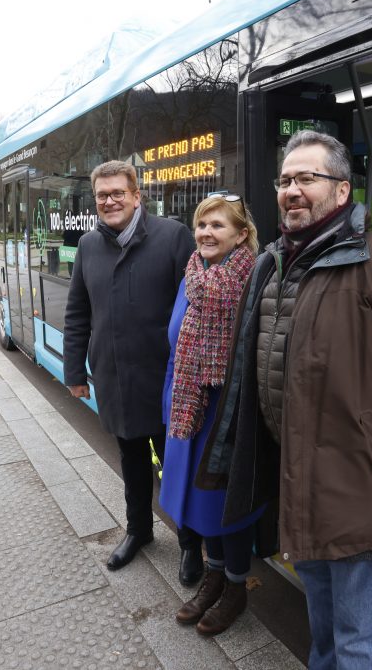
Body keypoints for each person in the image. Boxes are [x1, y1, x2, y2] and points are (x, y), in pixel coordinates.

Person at [198, 130, 372, 669]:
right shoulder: (273, 265)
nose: (292, 190)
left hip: (361, 493)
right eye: (285, 180)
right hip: (299, 486)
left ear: (342, 192)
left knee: (357, 642)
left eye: (307, 178)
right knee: (320, 631)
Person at [64, 160, 204, 581]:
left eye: (117, 193)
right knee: (132, 462)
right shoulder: (89, 246)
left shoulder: (172, 236)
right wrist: (75, 371)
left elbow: (197, 304)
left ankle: (189, 543)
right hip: (116, 378)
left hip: (165, 382)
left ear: (136, 195)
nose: (109, 201)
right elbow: (77, 312)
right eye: (102, 195)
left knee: (176, 464)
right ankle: (139, 531)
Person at [158, 193, 261, 636]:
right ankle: (213, 576)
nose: (205, 233)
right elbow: (174, 343)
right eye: (201, 225)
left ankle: (235, 587)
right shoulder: (192, 276)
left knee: (226, 505)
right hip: (189, 407)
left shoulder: (253, 281)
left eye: (217, 225)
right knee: (200, 506)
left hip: (230, 411)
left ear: (241, 234)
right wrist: (170, 404)